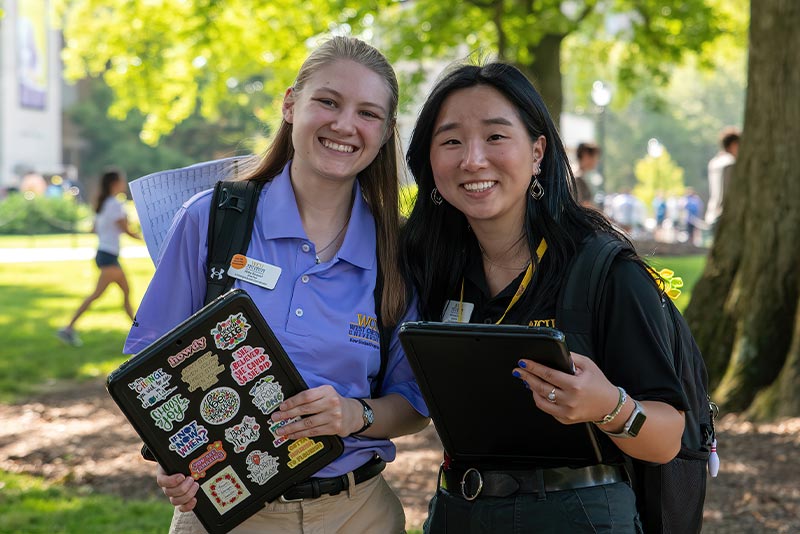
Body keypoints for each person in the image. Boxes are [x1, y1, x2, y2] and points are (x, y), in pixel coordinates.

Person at [125, 37, 429, 534]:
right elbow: (148, 373)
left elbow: (414, 405)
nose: (344, 124)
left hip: (359, 514)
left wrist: (356, 414)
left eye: (368, 113)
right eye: (327, 101)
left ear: (385, 132)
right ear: (291, 104)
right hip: (227, 514)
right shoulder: (212, 220)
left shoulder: (396, 250)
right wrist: (168, 457)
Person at [401, 62, 688, 532]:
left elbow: (667, 438)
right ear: (430, 162)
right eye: (451, 141)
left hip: (577, 515)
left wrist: (608, 406)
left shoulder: (605, 271)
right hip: (457, 512)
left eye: (496, 137)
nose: (473, 159)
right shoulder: (429, 265)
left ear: (537, 152)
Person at [57, 169, 140, 346]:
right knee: (99, 295)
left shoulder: (102, 204)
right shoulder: (115, 205)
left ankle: (139, 332)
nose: (124, 184)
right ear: (114, 184)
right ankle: (68, 328)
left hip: (105, 254)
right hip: (108, 256)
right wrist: (146, 239)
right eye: (121, 181)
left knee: (126, 293)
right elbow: (127, 230)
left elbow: (94, 228)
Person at [705, 126, 740, 229]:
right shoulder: (731, 164)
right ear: (734, 145)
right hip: (726, 215)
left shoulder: (714, 162)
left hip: (713, 212)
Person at [573, 141, 601, 207]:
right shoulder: (578, 178)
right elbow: (585, 206)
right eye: (595, 157)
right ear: (585, 155)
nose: (597, 161)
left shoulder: (576, 175)